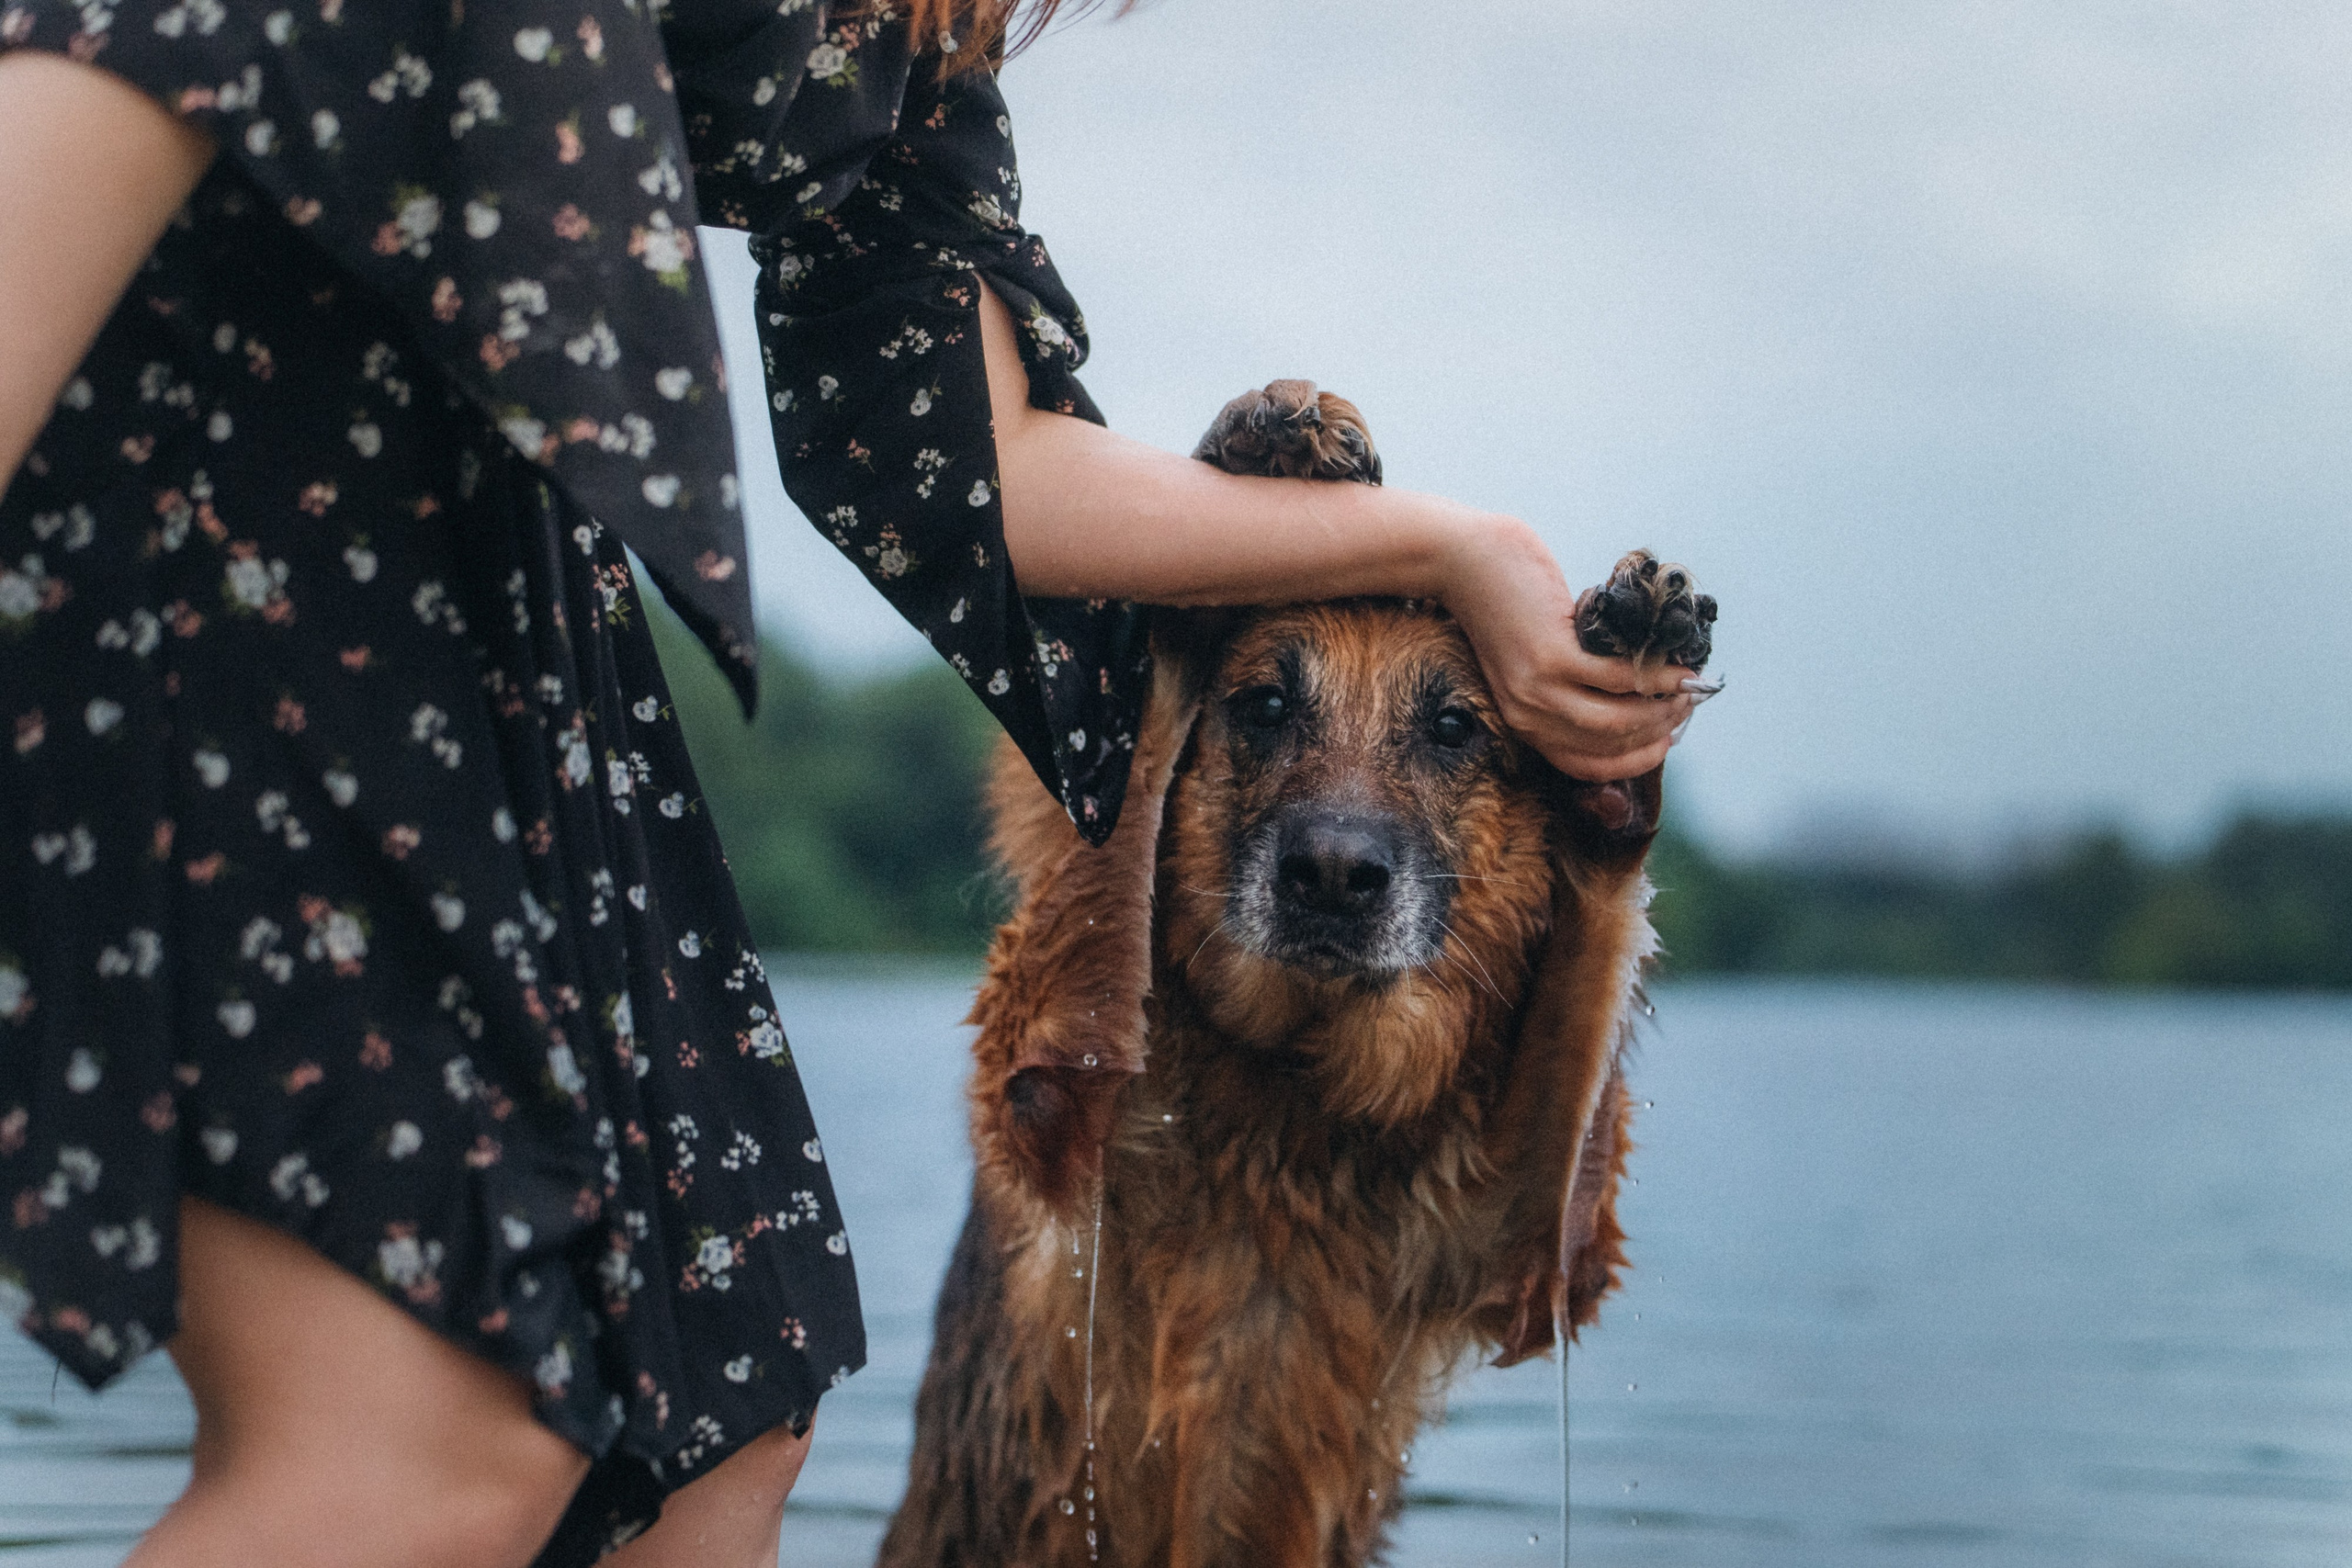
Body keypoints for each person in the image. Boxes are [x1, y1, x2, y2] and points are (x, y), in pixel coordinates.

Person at [0, 0, 1697, 1562]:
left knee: (722, 1388)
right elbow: (153, 32)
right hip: (229, 454)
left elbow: (973, 462)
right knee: (439, 1437)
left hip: (495, 529)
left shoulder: (919, 55)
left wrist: (1450, 547)